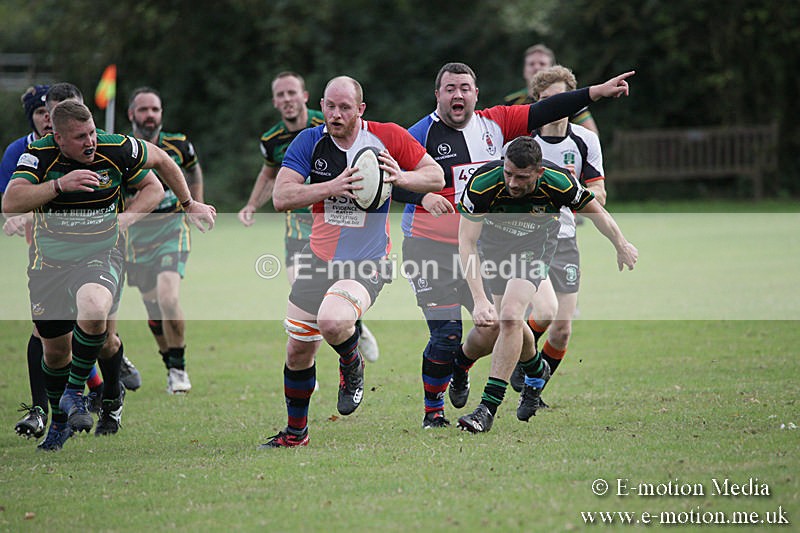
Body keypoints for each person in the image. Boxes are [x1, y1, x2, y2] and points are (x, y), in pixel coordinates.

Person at [399, 62, 634, 429]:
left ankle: (490, 375)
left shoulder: (498, 123)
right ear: (438, 94)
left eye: (465, 87)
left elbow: (548, 109)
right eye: (449, 88)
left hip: (494, 244)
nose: (458, 94)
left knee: (500, 324)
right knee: (447, 334)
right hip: (434, 246)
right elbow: (387, 178)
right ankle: (435, 413)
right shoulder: (419, 134)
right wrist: (421, 198)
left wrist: (595, 93)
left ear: (476, 94)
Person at [2, 100, 216, 450]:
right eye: (79, 137)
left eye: (91, 133)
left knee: (94, 305)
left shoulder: (114, 146)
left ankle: (76, 392)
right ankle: (59, 422)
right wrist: (61, 186)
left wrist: (184, 204)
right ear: (57, 138)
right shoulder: (39, 156)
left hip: (100, 255)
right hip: (49, 266)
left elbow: (161, 164)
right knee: (55, 352)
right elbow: (11, 201)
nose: (89, 142)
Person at [261, 76, 444, 448]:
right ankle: (296, 433)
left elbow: (435, 176)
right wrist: (332, 186)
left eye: (345, 107)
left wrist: (402, 177)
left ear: (360, 109)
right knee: (298, 349)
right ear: (322, 105)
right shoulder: (309, 142)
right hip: (319, 258)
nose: (336, 113)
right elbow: (281, 196)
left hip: (367, 261)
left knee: (333, 319)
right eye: (330, 105)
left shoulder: (388, 137)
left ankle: (350, 362)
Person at [454, 136, 637, 433]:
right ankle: (537, 371)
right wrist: (479, 299)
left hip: (535, 249)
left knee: (512, 316)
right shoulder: (484, 183)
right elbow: (467, 242)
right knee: (504, 325)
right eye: (509, 173)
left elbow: (597, 213)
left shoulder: (558, 182)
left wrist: (621, 244)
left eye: (522, 177)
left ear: (538, 173)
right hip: (495, 250)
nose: (513, 183)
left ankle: (487, 408)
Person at [238, 72, 380, 363]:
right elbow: (268, 175)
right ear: (275, 102)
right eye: (281, 95)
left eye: (292, 92)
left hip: (335, 224)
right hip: (298, 224)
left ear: (304, 97)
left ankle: (351, 325)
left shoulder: (328, 122)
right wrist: (252, 204)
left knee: (333, 293)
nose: (287, 99)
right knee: (301, 289)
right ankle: (305, 359)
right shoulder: (271, 139)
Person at [510, 65, 608, 400]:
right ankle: (524, 360)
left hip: (566, 240)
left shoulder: (585, 141)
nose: (559, 104)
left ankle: (532, 385)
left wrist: (573, 194)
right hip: (529, 241)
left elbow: (600, 193)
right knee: (543, 313)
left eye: (564, 97)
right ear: (538, 102)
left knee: (563, 329)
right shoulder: (524, 145)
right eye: (550, 99)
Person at [125, 87, 207, 394]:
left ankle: (179, 369)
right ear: (132, 114)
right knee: (153, 309)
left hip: (173, 228)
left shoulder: (179, 144)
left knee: (168, 297)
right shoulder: (122, 149)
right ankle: (169, 363)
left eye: (155, 110)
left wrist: (195, 204)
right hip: (135, 237)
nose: (150, 116)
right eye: (144, 110)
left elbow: (194, 170)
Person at [503, 44, 599, 134]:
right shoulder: (512, 101)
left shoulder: (569, 98)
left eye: (542, 64)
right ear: (524, 70)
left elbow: (591, 134)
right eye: (531, 64)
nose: (536, 67)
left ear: (552, 69)